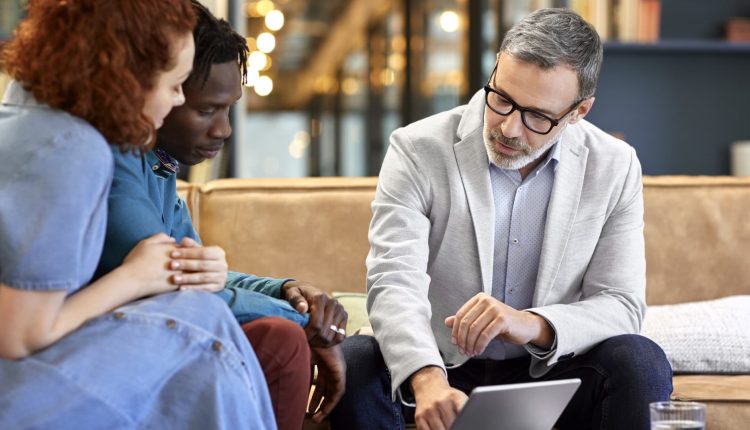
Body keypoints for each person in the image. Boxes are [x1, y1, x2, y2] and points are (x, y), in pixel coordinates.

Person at [331, 8, 672, 430]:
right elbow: (393, 282)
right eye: (503, 99)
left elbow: (620, 304)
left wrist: (530, 324)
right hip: (439, 366)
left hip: (550, 371)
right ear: (495, 70)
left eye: (537, 117)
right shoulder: (416, 149)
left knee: (640, 360)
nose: (509, 128)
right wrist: (427, 379)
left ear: (579, 111)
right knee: (356, 361)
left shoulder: (615, 166)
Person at [0, 1, 277, 428]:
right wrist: (136, 276)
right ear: (127, 77)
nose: (179, 98)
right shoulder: (73, 148)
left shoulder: (25, 119)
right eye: (175, 84)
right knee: (203, 321)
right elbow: (19, 334)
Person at [95, 2, 346, 428]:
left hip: (147, 338)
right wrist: (308, 320)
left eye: (229, 109)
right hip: (103, 353)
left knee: (280, 336)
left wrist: (285, 291)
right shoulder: (114, 163)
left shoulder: (158, 163)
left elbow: (201, 279)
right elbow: (175, 290)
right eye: (206, 109)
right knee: (281, 340)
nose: (224, 129)